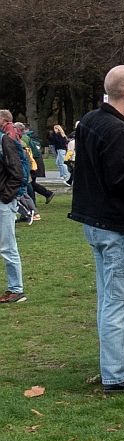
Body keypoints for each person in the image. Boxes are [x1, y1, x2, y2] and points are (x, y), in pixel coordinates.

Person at [68, 66, 124, 391]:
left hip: (95, 223)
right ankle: (117, 375)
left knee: (109, 301)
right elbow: (121, 181)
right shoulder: (117, 131)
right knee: (120, 303)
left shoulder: (91, 120)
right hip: (115, 226)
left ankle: (117, 366)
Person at [0, 110, 26, 305]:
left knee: (8, 246)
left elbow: (17, 172)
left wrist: (6, 197)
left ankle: (16, 289)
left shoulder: (5, 142)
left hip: (4, 202)